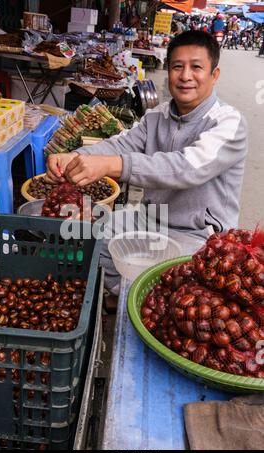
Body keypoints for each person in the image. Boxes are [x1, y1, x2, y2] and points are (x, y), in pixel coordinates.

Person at [47, 31, 247, 294]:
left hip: (198, 235)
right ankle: (122, 297)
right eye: (178, 66)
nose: (186, 76)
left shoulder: (228, 123)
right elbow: (121, 143)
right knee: (86, 235)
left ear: (214, 75)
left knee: (177, 293)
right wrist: (76, 157)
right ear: (168, 71)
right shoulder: (156, 116)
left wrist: (112, 166)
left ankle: (133, 297)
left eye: (196, 67)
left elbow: (186, 168)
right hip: (150, 220)